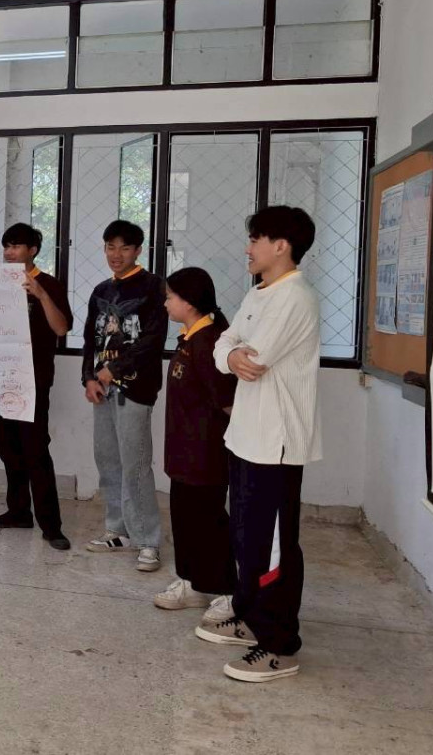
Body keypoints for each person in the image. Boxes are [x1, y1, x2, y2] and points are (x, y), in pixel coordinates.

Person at [199, 206, 321, 684]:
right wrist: (231, 353)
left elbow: (258, 358)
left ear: (281, 246)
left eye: (256, 239)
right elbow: (226, 343)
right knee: (246, 539)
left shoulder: (294, 297)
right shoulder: (260, 292)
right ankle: (250, 617)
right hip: (246, 437)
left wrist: (232, 354)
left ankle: (279, 644)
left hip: (276, 443)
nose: (248, 248)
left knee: (272, 547)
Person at [82, 219, 168, 572]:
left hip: (136, 388)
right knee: (108, 460)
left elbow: (152, 340)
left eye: (125, 248)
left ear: (138, 250)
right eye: (110, 247)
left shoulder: (153, 286)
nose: (116, 254)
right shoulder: (101, 290)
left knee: (135, 464)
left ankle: (148, 541)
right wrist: (89, 378)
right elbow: (90, 339)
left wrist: (114, 369)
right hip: (102, 389)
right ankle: (117, 531)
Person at [154, 267, 238, 624]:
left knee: (208, 523)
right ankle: (193, 583)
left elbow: (228, 403)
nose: (166, 303)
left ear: (188, 302)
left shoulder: (210, 343)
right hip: (183, 453)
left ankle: (228, 592)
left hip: (206, 454)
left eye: (170, 297)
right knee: (185, 520)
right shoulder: (190, 337)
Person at [0, 223, 72, 551]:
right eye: (6, 246)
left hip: (33, 382)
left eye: (16, 246)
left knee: (36, 452)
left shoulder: (48, 284)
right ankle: (19, 512)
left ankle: (52, 526)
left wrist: (41, 295)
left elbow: (61, 328)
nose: (9, 252)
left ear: (32, 250)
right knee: (8, 449)